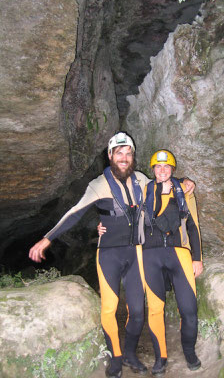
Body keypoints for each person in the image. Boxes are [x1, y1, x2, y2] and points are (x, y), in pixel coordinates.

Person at [29, 132, 195, 378]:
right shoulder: (98, 185)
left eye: (129, 154)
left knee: (137, 311)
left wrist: (185, 180)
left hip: (137, 252)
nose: (125, 158)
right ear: (110, 156)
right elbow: (75, 212)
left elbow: (163, 182)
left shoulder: (140, 179)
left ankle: (129, 353)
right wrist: (48, 238)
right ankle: (115, 358)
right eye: (119, 153)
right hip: (109, 254)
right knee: (110, 307)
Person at [141, 150, 203, 376]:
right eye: (158, 167)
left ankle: (189, 351)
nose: (162, 170)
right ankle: (160, 357)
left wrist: (197, 258)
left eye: (167, 167)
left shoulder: (184, 190)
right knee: (155, 309)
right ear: (153, 170)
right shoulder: (145, 189)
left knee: (189, 309)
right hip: (150, 255)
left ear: (173, 170)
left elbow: (193, 225)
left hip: (179, 254)